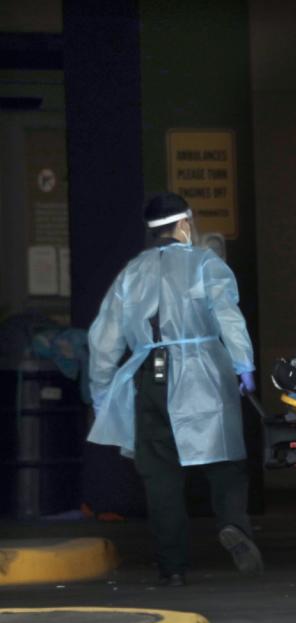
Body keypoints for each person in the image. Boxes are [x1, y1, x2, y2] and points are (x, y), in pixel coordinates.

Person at [87, 192, 263, 587]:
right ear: (184, 224)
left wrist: (100, 390)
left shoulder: (131, 273)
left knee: (160, 475)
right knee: (226, 463)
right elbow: (227, 317)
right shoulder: (206, 264)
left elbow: (105, 339)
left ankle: (173, 567)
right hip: (203, 372)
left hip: (147, 377)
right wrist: (243, 363)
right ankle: (234, 524)